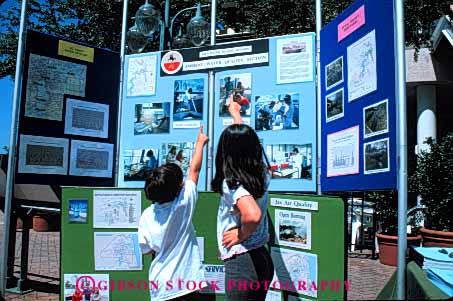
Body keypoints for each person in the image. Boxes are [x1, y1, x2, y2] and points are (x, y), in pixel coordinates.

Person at [211, 102, 274, 301]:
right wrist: (235, 114)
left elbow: (253, 215)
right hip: (261, 259)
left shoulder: (231, 184)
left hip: (242, 263)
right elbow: (245, 144)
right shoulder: (262, 171)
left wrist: (240, 234)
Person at [138, 126, 209, 301]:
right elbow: (194, 170)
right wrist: (200, 143)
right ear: (178, 187)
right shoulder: (183, 204)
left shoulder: (147, 215)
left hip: (160, 286)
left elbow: (146, 250)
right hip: (188, 284)